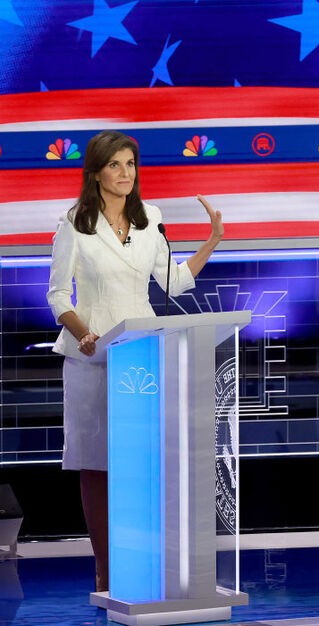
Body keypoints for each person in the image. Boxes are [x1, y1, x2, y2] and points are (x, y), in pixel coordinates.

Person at [46, 130, 224, 592]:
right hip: (92, 355)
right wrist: (81, 331)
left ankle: (145, 565)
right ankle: (105, 569)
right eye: (115, 165)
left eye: (130, 164)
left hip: (142, 354)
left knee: (142, 463)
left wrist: (212, 242)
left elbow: (173, 282)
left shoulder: (151, 220)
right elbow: (57, 293)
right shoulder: (74, 223)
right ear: (96, 172)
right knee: (98, 463)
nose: (125, 174)